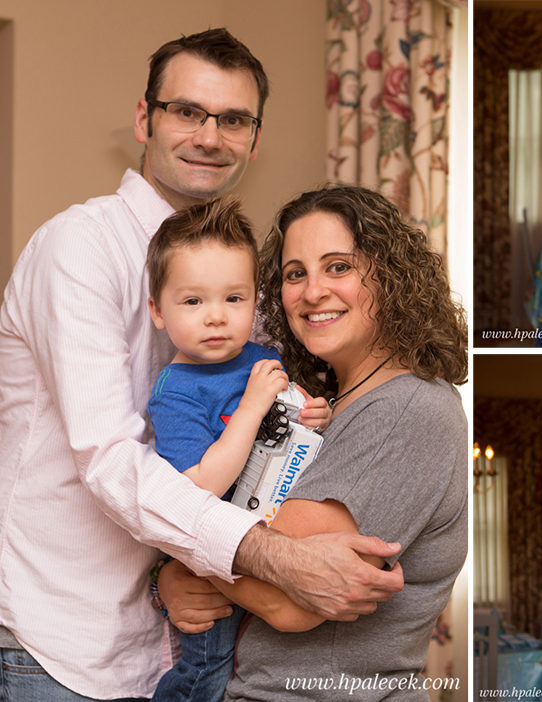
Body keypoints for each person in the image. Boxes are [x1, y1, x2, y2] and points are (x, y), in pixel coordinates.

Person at [0, 29, 401, 702]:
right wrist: (271, 559)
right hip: (63, 644)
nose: (210, 136)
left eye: (233, 119)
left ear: (254, 137)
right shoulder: (79, 248)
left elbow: (249, 458)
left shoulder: (254, 281)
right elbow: (111, 462)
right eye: (187, 111)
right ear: (143, 119)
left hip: (188, 638)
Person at [156, 185, 468, 701]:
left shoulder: (408, 408)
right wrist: (170, 576)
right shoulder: (325, 403)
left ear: (391, 277)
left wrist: (188, 560)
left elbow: (287, 601)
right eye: (295, 273)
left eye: (339, 266)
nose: (312, 291)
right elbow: (259, 550)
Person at [144, 196, 334, 702]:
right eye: (193, 301)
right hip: (209, 562)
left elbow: (291, 426)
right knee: (209, 669)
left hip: (270, 534)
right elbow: (200, 487)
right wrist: (251, 407)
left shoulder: (266, 355)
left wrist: (314, 415)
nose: (216, 318)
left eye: (234, 299)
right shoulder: (175, 392)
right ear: (156, 311)